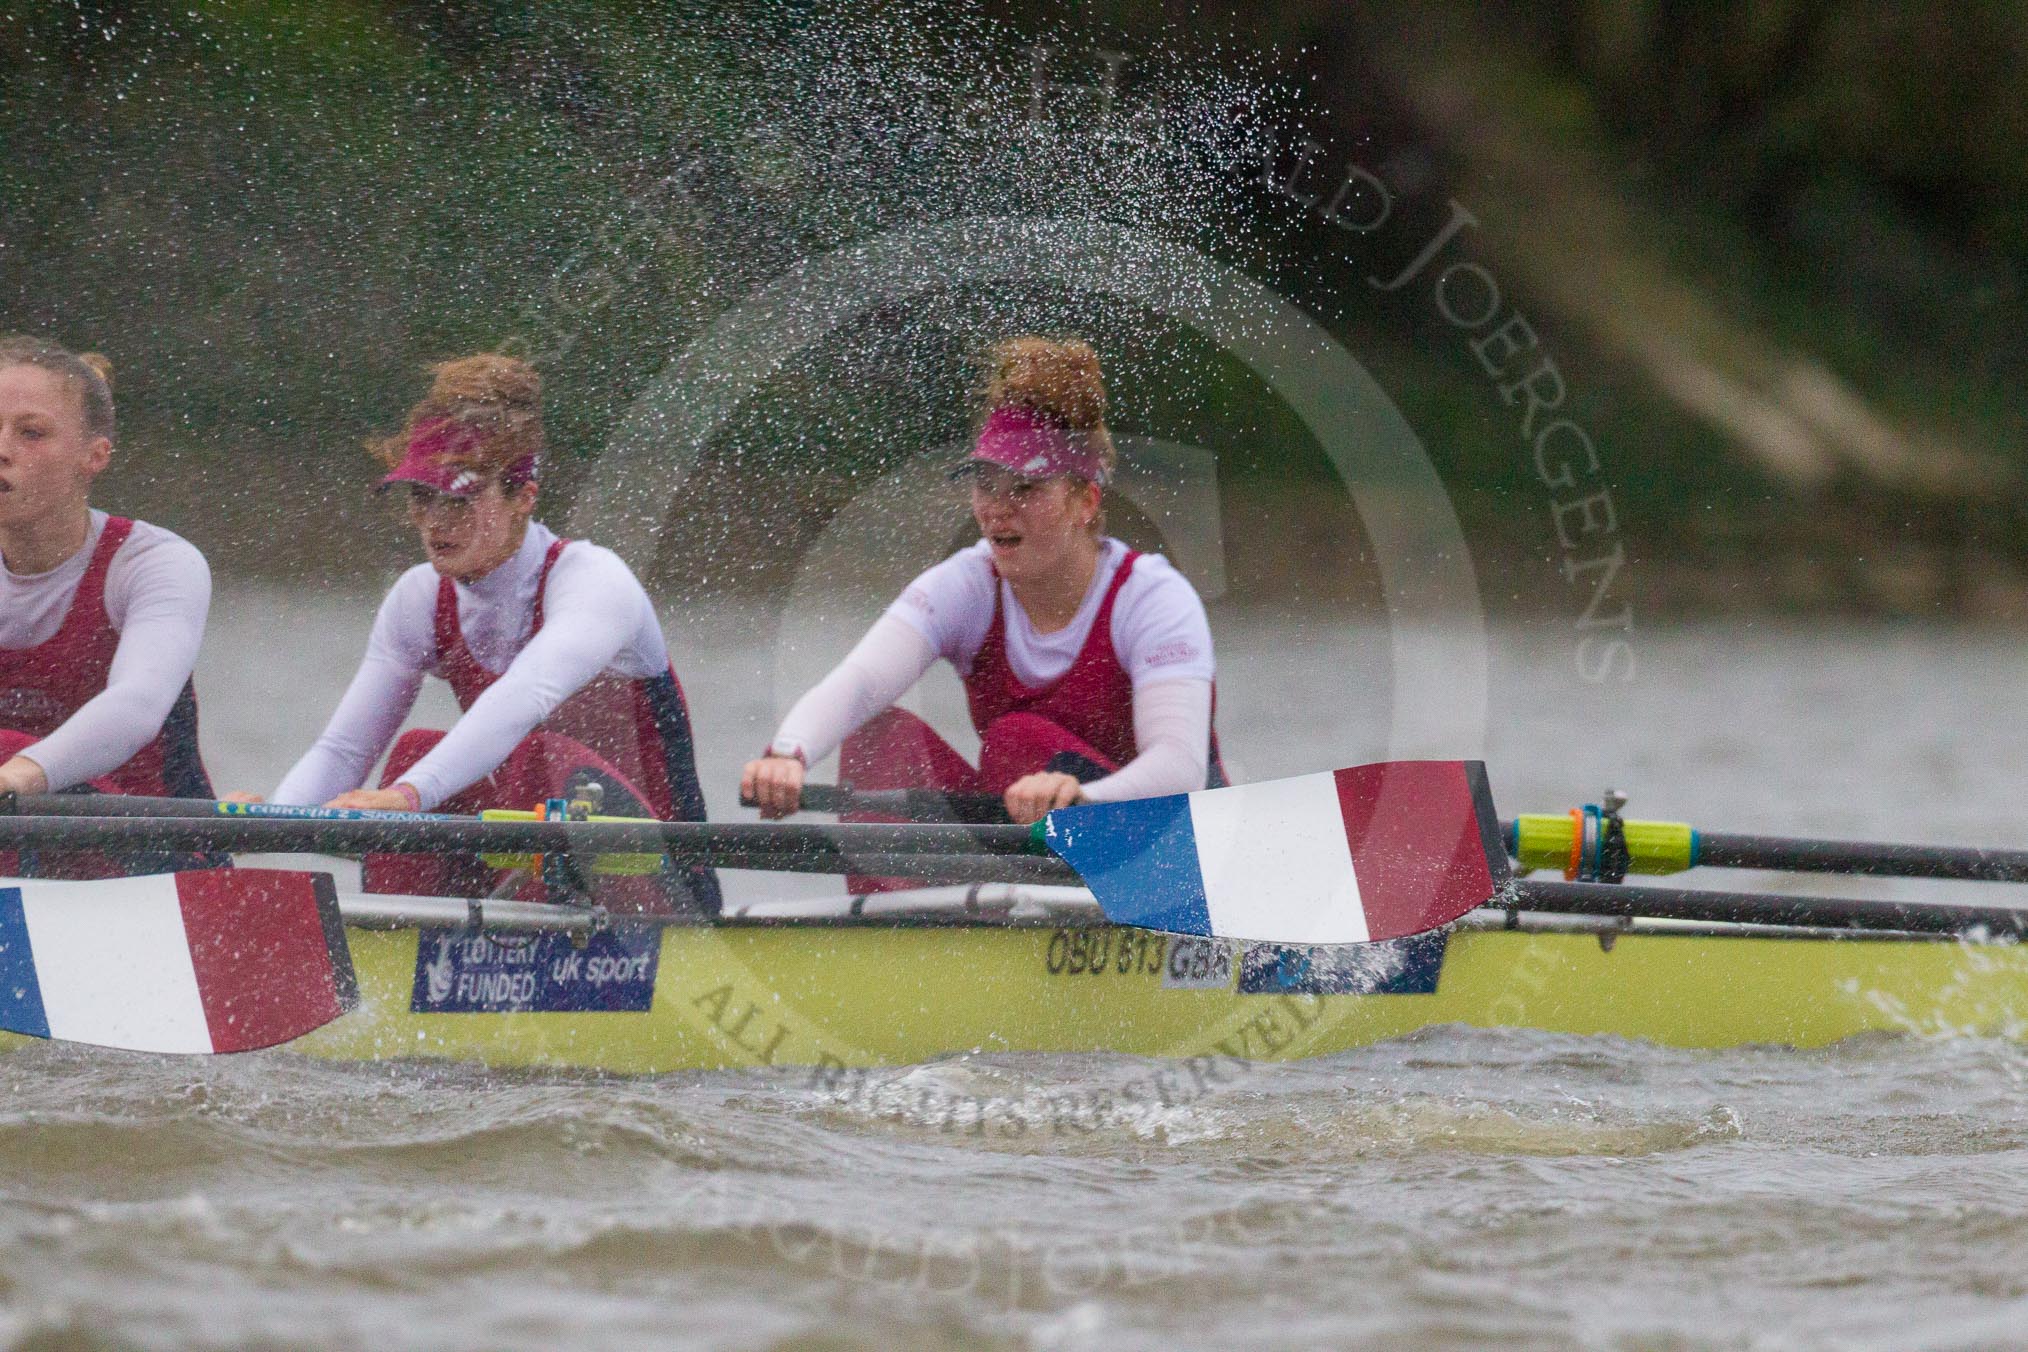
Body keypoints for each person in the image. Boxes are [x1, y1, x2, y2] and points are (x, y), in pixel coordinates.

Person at [742, 336, 1225, 882]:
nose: (997, 508)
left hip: (1165, 865)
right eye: (986, 483)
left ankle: (988, 913)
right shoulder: (966, 586)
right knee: (880, 738)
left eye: (1025, 486)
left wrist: (1080, 795)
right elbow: (858, 683)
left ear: (1084, 502)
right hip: (1032, 848)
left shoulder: (1153, 600)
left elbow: (1180, 768)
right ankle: (894, 928)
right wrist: (788, 754)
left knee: (1018, 741)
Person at [258, 354, 719, 914]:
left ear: (523, 496)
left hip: (660, 892)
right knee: (415, 750)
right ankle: (406, 942)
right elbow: (345, 748)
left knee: (530, 758)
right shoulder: (419, 597)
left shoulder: (594, 582)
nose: (435, 521)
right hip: (521, 878)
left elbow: (524, 698)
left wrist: (407, 796)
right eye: (423, 498)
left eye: (461, 498)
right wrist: (273, 821)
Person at [0, 336, 216, 876]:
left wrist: (17, 774)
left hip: (151, 866)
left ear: (94, 456)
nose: (3, 448)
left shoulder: (156, 562)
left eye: (30, 433)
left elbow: (137, 705)